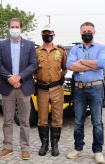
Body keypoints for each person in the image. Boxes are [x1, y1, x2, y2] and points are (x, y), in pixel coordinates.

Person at [0, 18, 37, 160]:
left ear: (21, 29)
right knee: (7, 120)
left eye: (17, 26)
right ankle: (8, 147)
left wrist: (19, 77)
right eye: (12, 26)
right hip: (8, 87)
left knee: (25, 121)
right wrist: (10, 78)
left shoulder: (30, 45)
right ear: (8, 28)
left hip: (23, 86)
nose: (14, 29)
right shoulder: (2, 45)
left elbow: (33, 65)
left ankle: (25, 148)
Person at [66, 22, 105, 164]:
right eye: (84, 30)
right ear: (80, 32)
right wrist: (91, 65)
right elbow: (70, 65)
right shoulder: (75, 49)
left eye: (89, 30)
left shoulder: (101, 47)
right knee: (78, 121)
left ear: (94, 32)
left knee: (97, 122)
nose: (87, 32)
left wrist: (82, 62)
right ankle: (77, 148)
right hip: (79, 89)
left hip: (96, 88)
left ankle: (98, 151)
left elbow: (101, 64)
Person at [35, 24, 67, 157]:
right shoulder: (37, 51)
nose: (46, 35)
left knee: (57, 117)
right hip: (42, 88)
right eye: (44, 33)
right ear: (42, 35)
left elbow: (65, 67)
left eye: (49, 33)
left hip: (56, 88)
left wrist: (61, 78)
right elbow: (33, 68)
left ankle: (55, 144)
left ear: (53, 34)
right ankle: (44, 144)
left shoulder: (60, 51)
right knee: (42, 118)